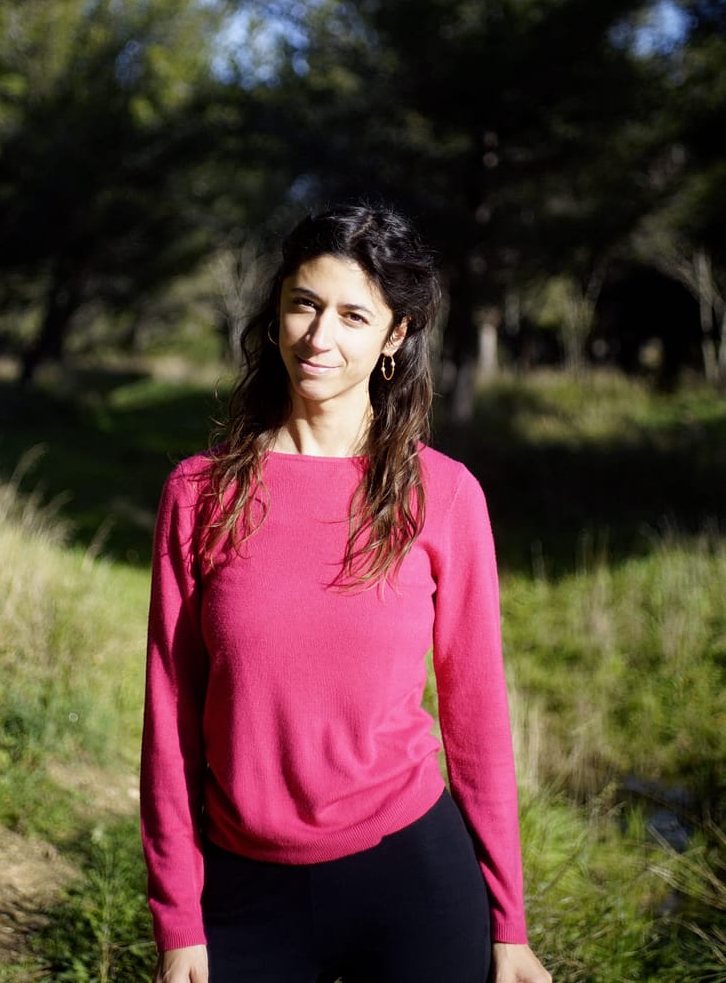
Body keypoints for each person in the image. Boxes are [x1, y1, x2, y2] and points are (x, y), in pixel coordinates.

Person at [140, 203, 552, 983]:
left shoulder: (443, 495)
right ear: (276, 312)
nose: (318, 337)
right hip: (242, 890)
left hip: (411, 879)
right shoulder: (199, 493)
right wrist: (177, 918)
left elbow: (476, 721)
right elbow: (170, 716)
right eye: (304, 304)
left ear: (395, 335)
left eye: (353, 316)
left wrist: (509, 923)